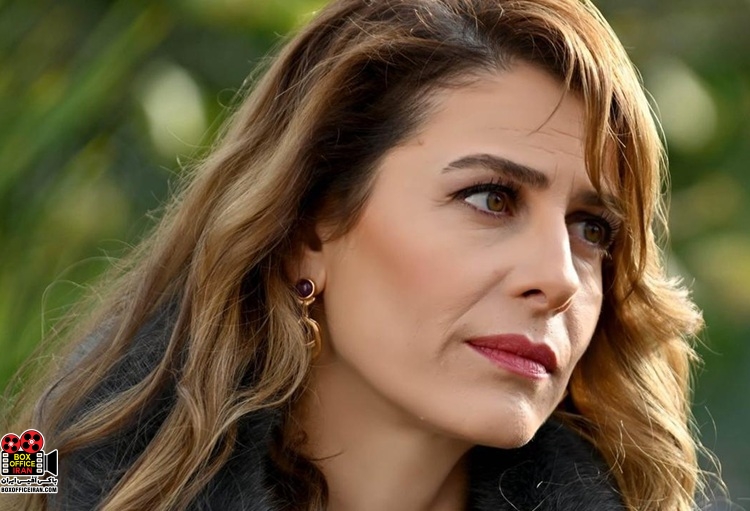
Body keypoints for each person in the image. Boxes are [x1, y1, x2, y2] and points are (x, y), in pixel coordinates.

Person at [5, 0, 716, 509]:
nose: (559, 277)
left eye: (592, 229)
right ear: (307, 231)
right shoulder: (38, 474)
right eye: (491, 198)